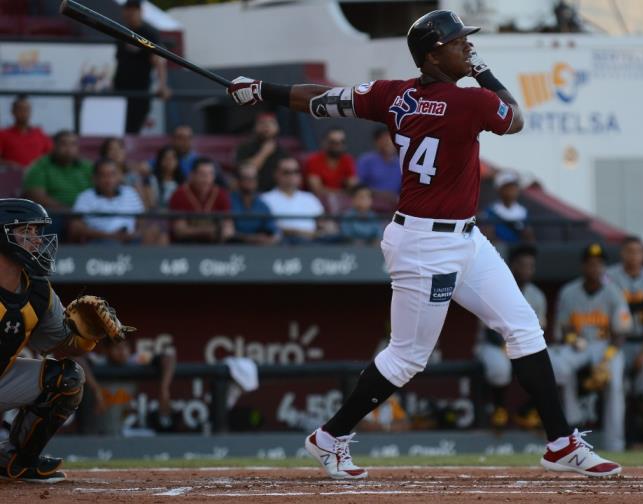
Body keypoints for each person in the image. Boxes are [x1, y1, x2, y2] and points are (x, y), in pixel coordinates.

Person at [228, 9, 621, 479]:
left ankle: (561, 444)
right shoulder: (470, 102)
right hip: (424, 243)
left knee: (524, 329)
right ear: (435, 54)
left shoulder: (394, 95)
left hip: (464, 238)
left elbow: (320, 100)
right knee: (408, 356)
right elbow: (514, 117)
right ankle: (330, 437)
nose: (467, 49)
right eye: (459, 44)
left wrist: (261, 93)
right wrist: (483, 71)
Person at [0, 198, 130, 482]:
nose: (37, 239)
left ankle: (17, 461)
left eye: (37, 231)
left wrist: (89, 334)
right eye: (28, 231)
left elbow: (62, 345)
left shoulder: (38, 290)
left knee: (68, 379)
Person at [552, 243, 630, 451]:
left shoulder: (614, 292)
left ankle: (615, 444)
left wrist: (607, 359)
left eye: (599, 264)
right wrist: (572, 339)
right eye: (590, 264)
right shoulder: (569, 292)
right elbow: (564, 327)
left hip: (606, 346)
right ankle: (572, 423)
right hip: (580, 345)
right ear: (583, 267)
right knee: (557, 365)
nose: (594, 268)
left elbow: (621, 331)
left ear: (603, 267)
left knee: (614, 384)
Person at [474, 244, 546, 429]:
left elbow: (540, 330)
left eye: (531, 266)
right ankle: (499, 408)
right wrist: (506, 347)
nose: (527, 270)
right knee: (500, 366)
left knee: (547, 363)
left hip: (521, 345)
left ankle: (529, 409)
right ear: (512, 266)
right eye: (523, 265)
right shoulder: (496, 287)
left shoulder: (537, 295)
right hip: (493, 344)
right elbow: (489, 330)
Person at [606, 235, 643, 443]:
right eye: (629, 251)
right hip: (618, 342)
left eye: (638, 252)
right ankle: (621, 442)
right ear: (622, 253)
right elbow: (610, 309)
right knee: (617, 394)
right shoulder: (609, 276)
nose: (634, 256)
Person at [78, 338, 177, 435]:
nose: (122, 351)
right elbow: (77, 359)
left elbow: (169, 357)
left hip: (119, 431)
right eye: (116, 347)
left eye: (125, 346)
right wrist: (96, 389)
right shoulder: (98, 361)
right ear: (106, 350)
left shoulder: (135, 361)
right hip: (93, 432)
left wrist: (164, 389)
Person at [21, 131, 93, 238]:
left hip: (85, 212)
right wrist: (69, 211)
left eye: (73, 144)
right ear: (54, 146)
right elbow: (37, 196)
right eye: (64, 144)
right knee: (47, 219)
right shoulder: (40, 165)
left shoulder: (87, 167)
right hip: (55, 213)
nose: (69, 148)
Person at [113, 0, 170, 134]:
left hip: (139, 91)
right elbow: (119, 61)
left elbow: (159, 60)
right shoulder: (121, 31)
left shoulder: (148, 33)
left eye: (134, 9)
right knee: (117, 130)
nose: (130, 13)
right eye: (128, 9)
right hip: (119, 90)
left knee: (132, 130)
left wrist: (162, 85)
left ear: (140, 12)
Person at [69, 158, 149, 244]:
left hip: (131, 241)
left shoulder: (130, 193)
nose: (109, 180)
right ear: (95, 178)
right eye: (104, 176)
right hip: (100, 241)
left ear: (119, 176)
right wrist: (109, 235)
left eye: (113, 174)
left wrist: (136, 233)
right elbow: (75, 227)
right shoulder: (85, 197)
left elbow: (141, 219)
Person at [260, 158, 326, 244]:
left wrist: (324, 230)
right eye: (287, 172)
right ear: (276, 174)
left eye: (296, 171)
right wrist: (298, 233)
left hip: (312, 244)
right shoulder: (265, 199)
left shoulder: (310, 198)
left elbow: (323, 223)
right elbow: (267, 228)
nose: (292, 175)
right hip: (281, 245)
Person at [168, 158, 234, 243]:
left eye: (210, 174)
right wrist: (208, 231)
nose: (206, 179)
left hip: (215, 246)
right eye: (202, 174)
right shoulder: (179, 194)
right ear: (192, 175)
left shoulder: (221, 194)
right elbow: (179, 231)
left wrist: (224, 232)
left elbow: (229, 228)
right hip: (185, 246)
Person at [304, 127, 359, 211]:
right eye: (333, 142)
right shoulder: (314, 160)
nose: (338, 145)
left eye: (341, 142)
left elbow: (353, 187)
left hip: (342, 204)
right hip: (319, 204)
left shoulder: (347, 160)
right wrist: (343, 193)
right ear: (324, 143)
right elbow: (317, 190)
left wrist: (340, 194)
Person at [235, 113, 290, 192]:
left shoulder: (283, 151)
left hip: (277, 194)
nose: (266, 126)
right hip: (251, 193)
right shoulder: (244, 148)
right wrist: (264, 153)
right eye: (262, 122)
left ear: (277, 127)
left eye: (271, 122)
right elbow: (246, 172)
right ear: (255, 127)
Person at [100, 137, 157, 210]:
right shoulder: (101, 177)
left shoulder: (133, 175)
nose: (116, 152)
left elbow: (143, 205)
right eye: (111, 149)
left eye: (119, 148)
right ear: (105, 154)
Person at [230, 164, 279, 245]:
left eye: (253, 178)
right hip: (232, 249)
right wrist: (251, 238)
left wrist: (271, 239)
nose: (250, 181)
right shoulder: (229, 202)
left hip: (259, 250)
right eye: (246, 178)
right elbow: (227, 233)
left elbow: (273, 231)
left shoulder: (263, 205)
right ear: (238, 180)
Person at [0, 95, 52, 169]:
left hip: (36, 177)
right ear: (13, 112)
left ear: (30, 112)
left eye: (26, 109)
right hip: (11, 177)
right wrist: (9, 164)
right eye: (20, 109)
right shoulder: (3, 134)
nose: (23, 112)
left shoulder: (40, 135)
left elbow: (52, 158)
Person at [482, 170, 534, 244]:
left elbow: (529, 238)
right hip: (498, 249)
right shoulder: (490, 210)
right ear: (499, 190)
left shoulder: (523, 211)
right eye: (508, 187)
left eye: (514, 186)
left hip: (517, 250)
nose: (512, 190)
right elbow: (489, 234)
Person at [356, 127, 401, 207]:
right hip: (370, 207)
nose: (388, 143)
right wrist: (382, 195)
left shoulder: (401, 163)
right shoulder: (366, 160)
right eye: (385, 140)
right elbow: (359, 186)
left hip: (395, 208)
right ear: (377, 142)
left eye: (391, 140)